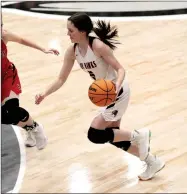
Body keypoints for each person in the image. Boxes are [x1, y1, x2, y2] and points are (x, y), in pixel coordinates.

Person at [35, 12, 165, 179]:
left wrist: (115, 87)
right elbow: (61, 78)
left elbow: (120, 69)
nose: (67, 34)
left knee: (94, 134)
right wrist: (44, 93)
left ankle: (139, 135)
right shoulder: (72, 51)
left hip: (117, 91)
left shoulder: (97, 46)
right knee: (113, 136)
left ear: (82, 32)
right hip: (107, 94)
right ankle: (152, 162)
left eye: (71, 31)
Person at [1, 25, 60, 150]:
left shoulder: (4, 35)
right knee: (3, 117)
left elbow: (21, 39)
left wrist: (43, 49)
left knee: (11, 110)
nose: (1, 28)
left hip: (7, 75)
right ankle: (28, 129)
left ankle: (36, 128)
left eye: (1, 25)